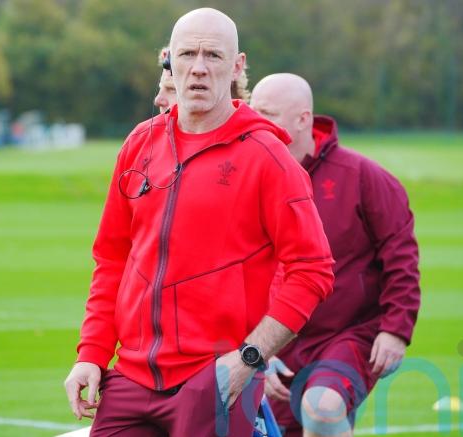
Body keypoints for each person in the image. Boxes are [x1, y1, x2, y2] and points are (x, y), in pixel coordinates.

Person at [64, 10, 335, 437]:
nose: (199, 68)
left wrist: (249, 358)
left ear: (237, 66)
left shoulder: (268, 157)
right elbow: (112, 259)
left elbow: (312, 270)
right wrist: (92, 353)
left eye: (214, 55)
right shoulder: (139, 144)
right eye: (188, 54)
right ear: (170, 60)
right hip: (131, 378)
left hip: (216, 380)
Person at [250, 73, 421, 437]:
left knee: (322, 409)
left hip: (347, 334)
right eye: (253, 112)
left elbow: (401, 256)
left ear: (303, 119)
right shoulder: (247, 178)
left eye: (268, 114)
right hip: (275, 338)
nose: (256, 122)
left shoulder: (363, 177)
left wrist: (396, 329)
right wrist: (256, 349)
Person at [154, 47, 251, 113]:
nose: (158, 100)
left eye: (173, 89)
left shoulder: (252, 137)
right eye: (161, 87)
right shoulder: (148, 134)